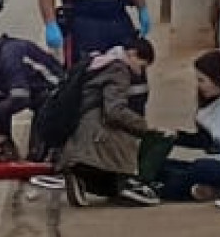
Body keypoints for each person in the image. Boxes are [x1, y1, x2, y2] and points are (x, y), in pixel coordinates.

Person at [53, 35, 161, 207]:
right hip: (95, 128)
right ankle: (114, 182)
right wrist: (142, 127)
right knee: (126, 145)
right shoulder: (119, 70)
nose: (140, 73)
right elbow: (114, 111)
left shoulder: (99, 61)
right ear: (132, 54)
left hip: (79, 129)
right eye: (142, 66)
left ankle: (79, 176)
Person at [153, 48, 220, 202]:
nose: (199, 86)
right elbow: (204, 141)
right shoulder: (208, 109)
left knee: (202, 167)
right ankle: (212, 190)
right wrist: (175, 136)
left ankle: (167, 190)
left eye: (202, 80)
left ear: (218, 78)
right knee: (162, 165)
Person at [0, 31, 62, 157]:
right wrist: (0, 136)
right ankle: (9, 149)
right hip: (35, 93)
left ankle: (40, 155)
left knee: (37, 155)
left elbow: (19, 99)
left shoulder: (8, 56)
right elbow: (1, 107)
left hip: (56, 92)